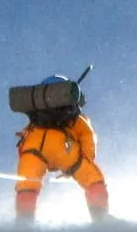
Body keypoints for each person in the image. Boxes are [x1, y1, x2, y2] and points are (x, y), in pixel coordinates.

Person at [11, 74, 110, 223]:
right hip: (63, 146)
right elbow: (87, 137)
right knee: (93, 180)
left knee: (27, 185)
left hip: (33, 147)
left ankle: (24, 223)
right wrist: (83, 162)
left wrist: (28, 159)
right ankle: (101, 218)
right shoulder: (74, 116)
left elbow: (24, 142)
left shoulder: (36, 116)